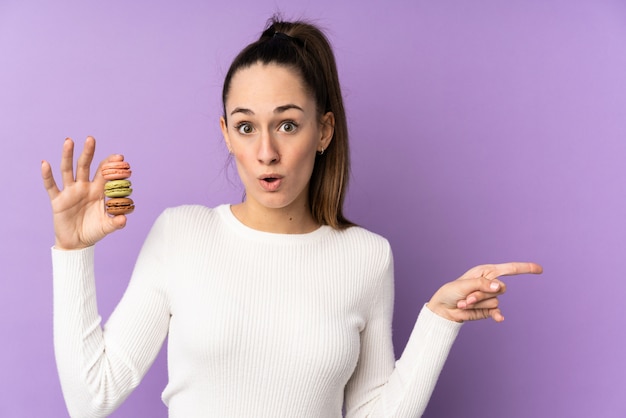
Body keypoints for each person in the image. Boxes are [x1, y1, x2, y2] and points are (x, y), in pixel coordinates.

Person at [41, 17, 542, 418]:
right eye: (245, 126)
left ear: (323, 131)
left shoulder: (366, 257)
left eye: (287, 124)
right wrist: (73, 253)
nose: (266, 152)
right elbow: (92, 399)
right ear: (225, 133)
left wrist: (437, 320)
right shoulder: (181, 234)